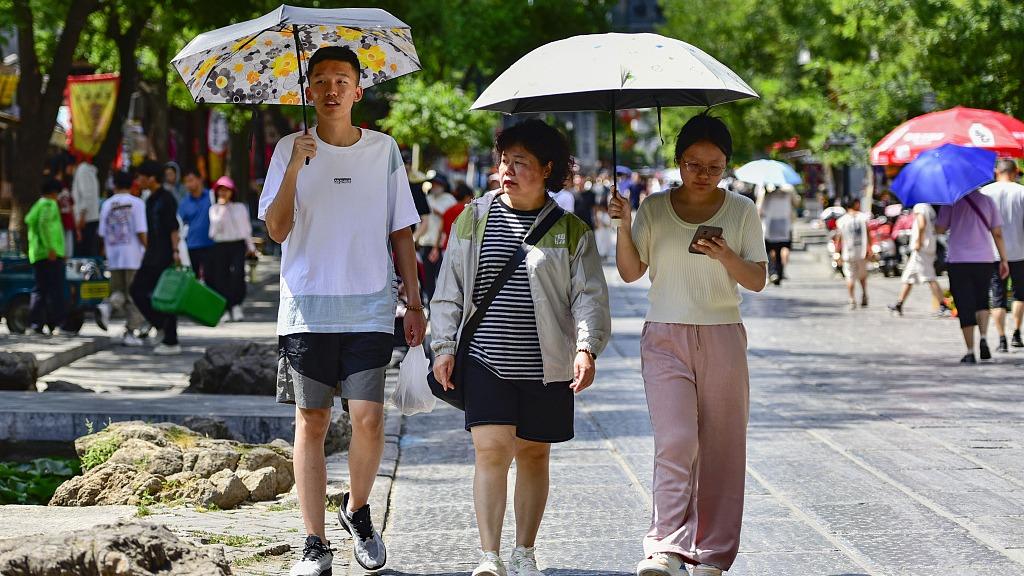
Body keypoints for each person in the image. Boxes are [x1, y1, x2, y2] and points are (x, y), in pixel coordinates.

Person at [257, 46, 424, 576]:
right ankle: (313, 541)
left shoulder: (385, 151)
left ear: (358, 90)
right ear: (308, 90)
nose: (331, 89)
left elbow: (402, 231)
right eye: (322, 80)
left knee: (368, 419)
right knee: (311, 419)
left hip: (371, 304)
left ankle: (357, 509)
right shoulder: (288, 148)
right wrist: (296, 168)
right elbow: (277, 230)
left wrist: (414, 301)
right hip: (308, 307)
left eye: (341, 80)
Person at [431, 119, 610, 576]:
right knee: (491, 450)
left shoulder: (571, 231)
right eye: (505, 161)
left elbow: (589, 295)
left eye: (521, 163)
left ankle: (524, 551)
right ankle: (489, 556)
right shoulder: (475, 216)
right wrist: (443, 345)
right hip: (485, 359)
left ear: (547, 168)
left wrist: (586, 348)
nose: (507, 171)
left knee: (534, 453)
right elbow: (450, 286)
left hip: (546, 364)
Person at [609, 114, 768, 576]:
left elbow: (756, 279)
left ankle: (713, 554)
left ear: (726, 166)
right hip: (664, 335)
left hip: (722, 337)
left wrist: (725, 255)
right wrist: (623, 223)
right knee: (675, 439)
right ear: (679, 162)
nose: (703, 174)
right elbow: (631, 271)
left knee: (722, 445)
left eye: (714, 166)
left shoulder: (740, 210)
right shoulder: (655, 208)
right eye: (694, 164)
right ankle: (666, 546)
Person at [935, 189, 1010, 363]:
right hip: (984, 259)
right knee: (982, 300)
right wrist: (1004, 259)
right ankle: (983, 338)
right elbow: (997, 233)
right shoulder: (988, 201)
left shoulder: (950, 202)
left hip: (958, 260)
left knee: (964, 303)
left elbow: (940, 228)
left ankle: (970, 351)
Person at [129, 159, 182, 355]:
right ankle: (162, 326)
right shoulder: (149, 200)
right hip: (151, 254)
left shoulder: (167, 198)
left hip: (165, 254)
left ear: (151, 178)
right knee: (137, 290)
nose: (139, 180)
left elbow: (173, 228)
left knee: (164, 295)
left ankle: (171, 340)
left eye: (141, 177)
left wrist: (176, 252)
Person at [97, 171, 148, 346]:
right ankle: (131, 331)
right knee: (135, 295)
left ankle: (107, 306)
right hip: (133, 255)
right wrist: (148, 249)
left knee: (118, 291)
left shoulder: (106, 205)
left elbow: (102, 233)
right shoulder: (137, 204)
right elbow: (141, 231)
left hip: (114, 255)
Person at [980, 159, 1024, 351]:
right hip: (1020, 251)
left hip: (992, 252)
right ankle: (1016, 333)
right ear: (1015, 172)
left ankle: (1001, 339)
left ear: (996, 171)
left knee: (997, 297)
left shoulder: (985, 193)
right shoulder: (1022, 192)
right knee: (1019, 295)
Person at [888, 203, 949, 317]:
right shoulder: (930, 209)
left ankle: (943, 305)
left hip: (921, 248)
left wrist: (918, 241)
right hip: (928, 246)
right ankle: (899, 304)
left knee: (929, 277)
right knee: (909, 277)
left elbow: (921, 224)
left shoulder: (920, 207)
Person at [208, 175, 256, 322]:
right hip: (221, 245)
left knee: (238, 274)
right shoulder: (214, 209)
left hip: (238, 244)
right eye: (220, 191)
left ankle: (236, 305)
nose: (223, 194)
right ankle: (225, 308)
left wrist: (251, 246)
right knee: (221, 276)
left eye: (226, 190)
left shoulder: (240, 207)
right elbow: (213, 231)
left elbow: (245, 228)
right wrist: (222, 209)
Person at [25, 179, 68, 335]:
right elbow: (45, 225)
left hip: (37, 254)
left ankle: (35, 324)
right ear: (53, 193)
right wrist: (51, 248)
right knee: (55, 290)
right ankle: (57, 324)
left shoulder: (37, 205)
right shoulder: (49, 205)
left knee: (40, 290)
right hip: (50, 254)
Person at [413, 173, 456, 304]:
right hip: (425, 243)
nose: (435, 186)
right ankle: (429, 306)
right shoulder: (428, 198)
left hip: (442, 245)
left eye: (438, 183)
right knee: (427, 279)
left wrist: (440, 213)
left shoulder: (449, 199)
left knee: (442, 279)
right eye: (434, 183)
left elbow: (452, 220)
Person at [178, 168, 215, 282]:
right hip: (192, 245)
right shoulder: (184, 202)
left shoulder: (212, 196)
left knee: (212, 278)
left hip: (211, 244)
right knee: (194, 279)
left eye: (191, 180)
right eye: (186, 182)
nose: (188, 184)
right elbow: (179, 223)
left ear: (200, 180)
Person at [835, 197, 872, 309]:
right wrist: (870, 248)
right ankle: (864, 294)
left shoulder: (842, 220)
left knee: (850, 276)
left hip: (848, 252)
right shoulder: (863, 217)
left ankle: (852, 299)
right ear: (855, 204)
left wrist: (837, 253)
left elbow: (839, 238)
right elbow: (869, 234)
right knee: (862, 276)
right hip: (862, 252)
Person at [757, 184, 795, 284]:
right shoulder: (787, 195)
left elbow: (761, 211)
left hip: (770, 227)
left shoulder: (768, 196)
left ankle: (772, 272)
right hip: (784, 227)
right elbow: (791, 209)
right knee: (780, 250)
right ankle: (780, 272)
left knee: (769, 251)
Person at [431, 181, 473, 263]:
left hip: (447, 248)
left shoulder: (448, 211)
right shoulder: (469, 210)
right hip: (463, 249)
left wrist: (435, 248)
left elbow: (440, 230)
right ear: (467, 196)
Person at [71, 156, 101, 256]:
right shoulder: (88, 171)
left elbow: (86, 194)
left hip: (86, 219)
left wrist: (82, 215)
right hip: (90, 217)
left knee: (85, 252)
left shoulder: (82, 170)